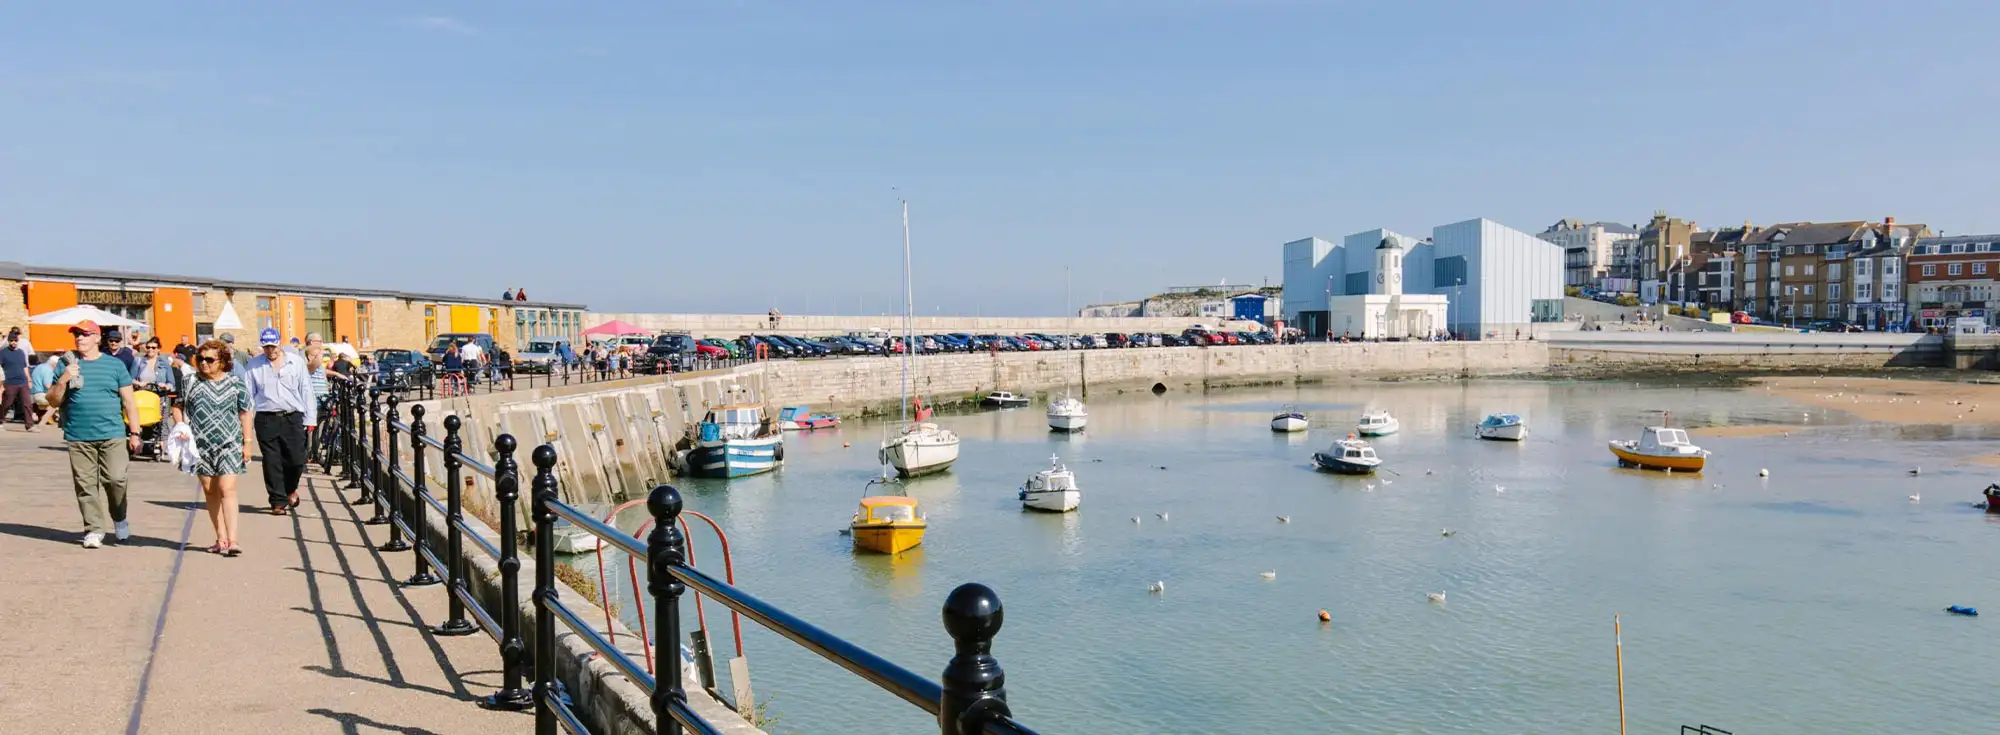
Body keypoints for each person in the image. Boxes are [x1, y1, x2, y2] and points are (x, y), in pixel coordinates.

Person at [45, 320, 142, 548]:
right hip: (78, 434)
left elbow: (129, 402)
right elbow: (52, 400)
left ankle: (119, 518)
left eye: (85, 334)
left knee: (116, 479)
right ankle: (94, 529)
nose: (79, 338)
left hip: (112, 433)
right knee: (85, 485)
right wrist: (63, 379)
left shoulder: (115, 365)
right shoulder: (65, 364)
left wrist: (135, 433)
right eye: (77, 334)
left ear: (98, 338)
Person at [173, 340, 252, 556]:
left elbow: (245, 413)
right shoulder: (190, 381)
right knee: (210, 491)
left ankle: (233, 540)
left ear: (223, 361)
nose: (204, 363)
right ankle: (221, 539)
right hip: (199, 445)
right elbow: (178, 406)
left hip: (229, 443)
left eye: (210, 359)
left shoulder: (236, 382)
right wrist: (180, 426)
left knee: (227, 489)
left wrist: (247, 443)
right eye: (200, 359)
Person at [244, 328, 313, 515]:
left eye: (273, 346)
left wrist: (310, 418)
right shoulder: (253, 366)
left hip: (292, 416)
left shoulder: (295, 362)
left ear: (279, 344)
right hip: (267, 418)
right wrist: (245, 425)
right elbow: (248, 396)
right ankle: (278, 501)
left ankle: (290, 488)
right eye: (266, 347)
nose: (270, 350)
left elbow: (306, 390)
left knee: (296, 459)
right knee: (272, 460)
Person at [1, 330, 34, 430]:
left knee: (27, 404)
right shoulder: (3, 353)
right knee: (7, 403)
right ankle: (0, 420)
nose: (13, 342)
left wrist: (29, 379)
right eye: (11, 340)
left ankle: (29, 425)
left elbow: (25, 367)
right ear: (8, 341)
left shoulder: (21, 352)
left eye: (15, 340)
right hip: (9, 382)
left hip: (23, 381)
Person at [30, 353, 58, 426]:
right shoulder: (48, 370)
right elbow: (48, 385)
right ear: (54, 364)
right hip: (41, 395)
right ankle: (49, 418)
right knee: (60, 400)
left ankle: (45, 417)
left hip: (33, 394)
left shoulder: (40, 366)